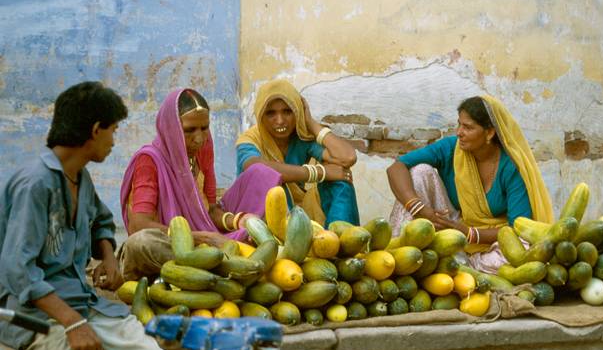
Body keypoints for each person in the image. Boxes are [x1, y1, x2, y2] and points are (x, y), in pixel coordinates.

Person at [0, 82, 170, 350]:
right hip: (39, 315)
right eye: (113, 130)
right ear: (95, 130)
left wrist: (109, 258)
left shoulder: (82, 178)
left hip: (84, 303)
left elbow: (101, 222)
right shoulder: (35, 184)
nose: (113, 140)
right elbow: (17, 270)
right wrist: (73, 324)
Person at [119, 89, 282, 281]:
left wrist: (238, 221)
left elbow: (210, 210)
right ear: (170, 129)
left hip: (207, 236)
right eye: (189, 130)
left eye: (204, 128)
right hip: (171, 243)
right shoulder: (149, 160)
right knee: (141, 243)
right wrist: (203, 238)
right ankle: (224, 267)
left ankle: (217, 265)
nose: (199, 138)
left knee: (261, 175)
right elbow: (139, 225)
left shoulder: (202, 148)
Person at [386, 95, 553, 274]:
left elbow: (518, 227)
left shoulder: (510, 167)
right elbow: (396, 167)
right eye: (459, 124)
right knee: (419, 172)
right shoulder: (451, 148)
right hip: (451, 225)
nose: (459, 132)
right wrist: (419, 208)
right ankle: (401, 259)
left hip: (491, 240)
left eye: (468, 127)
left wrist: (469, 233)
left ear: (489, 133)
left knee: (523, 250)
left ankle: (459, 267)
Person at [235, 79, 360, 226]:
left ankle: (340, 238)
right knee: (275, 184)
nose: (280, 120)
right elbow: (256, 169)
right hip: (257, 216)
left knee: (339, 182)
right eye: (270, 113)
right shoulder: (249, 140)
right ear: (260, 115)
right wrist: (319, 172)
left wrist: (311, 123)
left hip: (298, 212)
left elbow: (347, 157)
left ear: (297, 112)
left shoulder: (301, 136)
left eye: (287, 111)